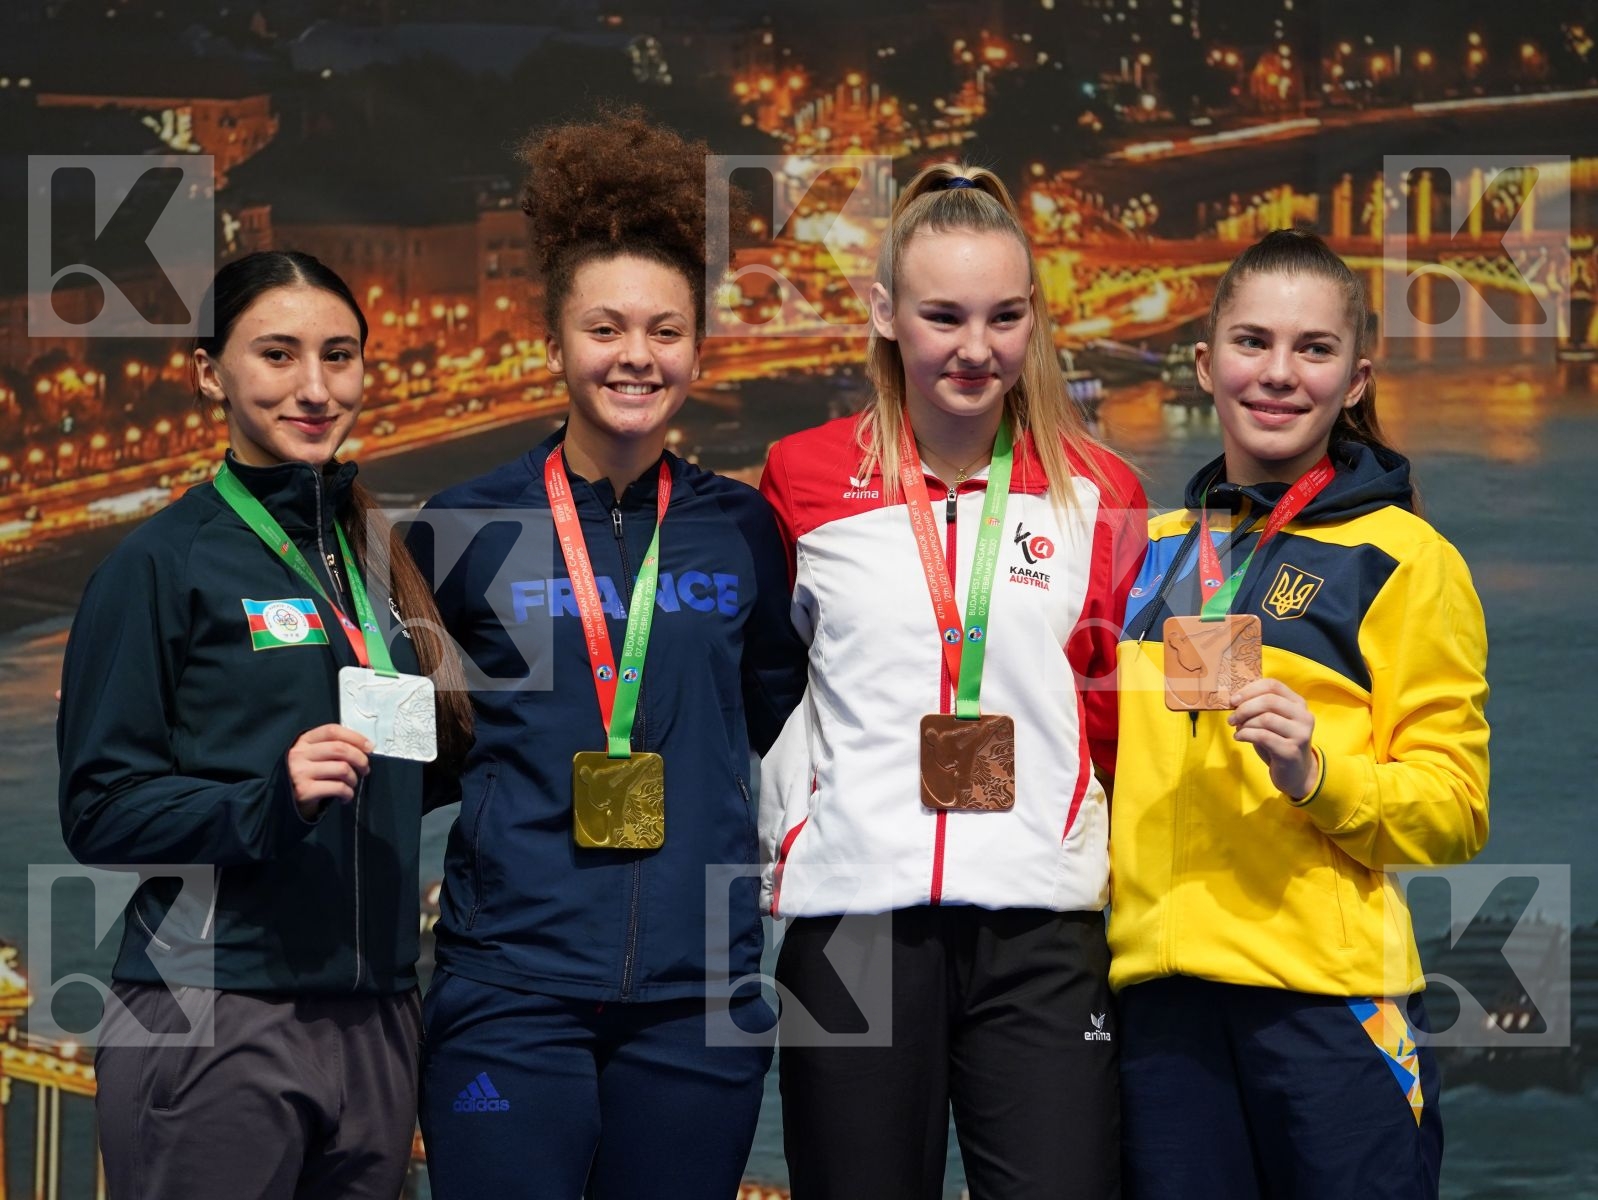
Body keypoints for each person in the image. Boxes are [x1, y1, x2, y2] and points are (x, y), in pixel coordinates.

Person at [411, 109, 807, 1199]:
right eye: (604, 328)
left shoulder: (740, 527)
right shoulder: (459, 527)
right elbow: (419, 734)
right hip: (511, 987)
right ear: (554, 344)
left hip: (699, 992)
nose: (635, 355)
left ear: (696, 347)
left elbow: (764, 700)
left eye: (664, 331)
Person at [757, 163, 1146, 1200]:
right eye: (941, 315)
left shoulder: (1102, 488)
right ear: (883, 313)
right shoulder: (798, 476)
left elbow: (1111, 709)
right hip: (849, 923)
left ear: (1034, 318)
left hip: (1041, 924)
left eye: (1003, 316)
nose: (975, 348)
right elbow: (763, 688)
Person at [57, 249, 473, 1200]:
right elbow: (100, 808)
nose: (316, 388)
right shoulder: (161, 563)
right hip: (213, 1009)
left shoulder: (376, 560)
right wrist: (267, 801)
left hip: (374, 1015)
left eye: (340, 355)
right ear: (211, 373)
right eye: (278, 355)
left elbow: (412, 767)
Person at [1110, 228, 1491, 1199]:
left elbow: (1453, 810)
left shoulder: (1404, 558)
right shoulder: (1148, 551)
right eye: (1251, 343)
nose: (1277, 374)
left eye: (1311, 349)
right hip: (1161, 1007)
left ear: (1354, 378)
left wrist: (1317, 775)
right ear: (1203, 363)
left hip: (1324, 1004)